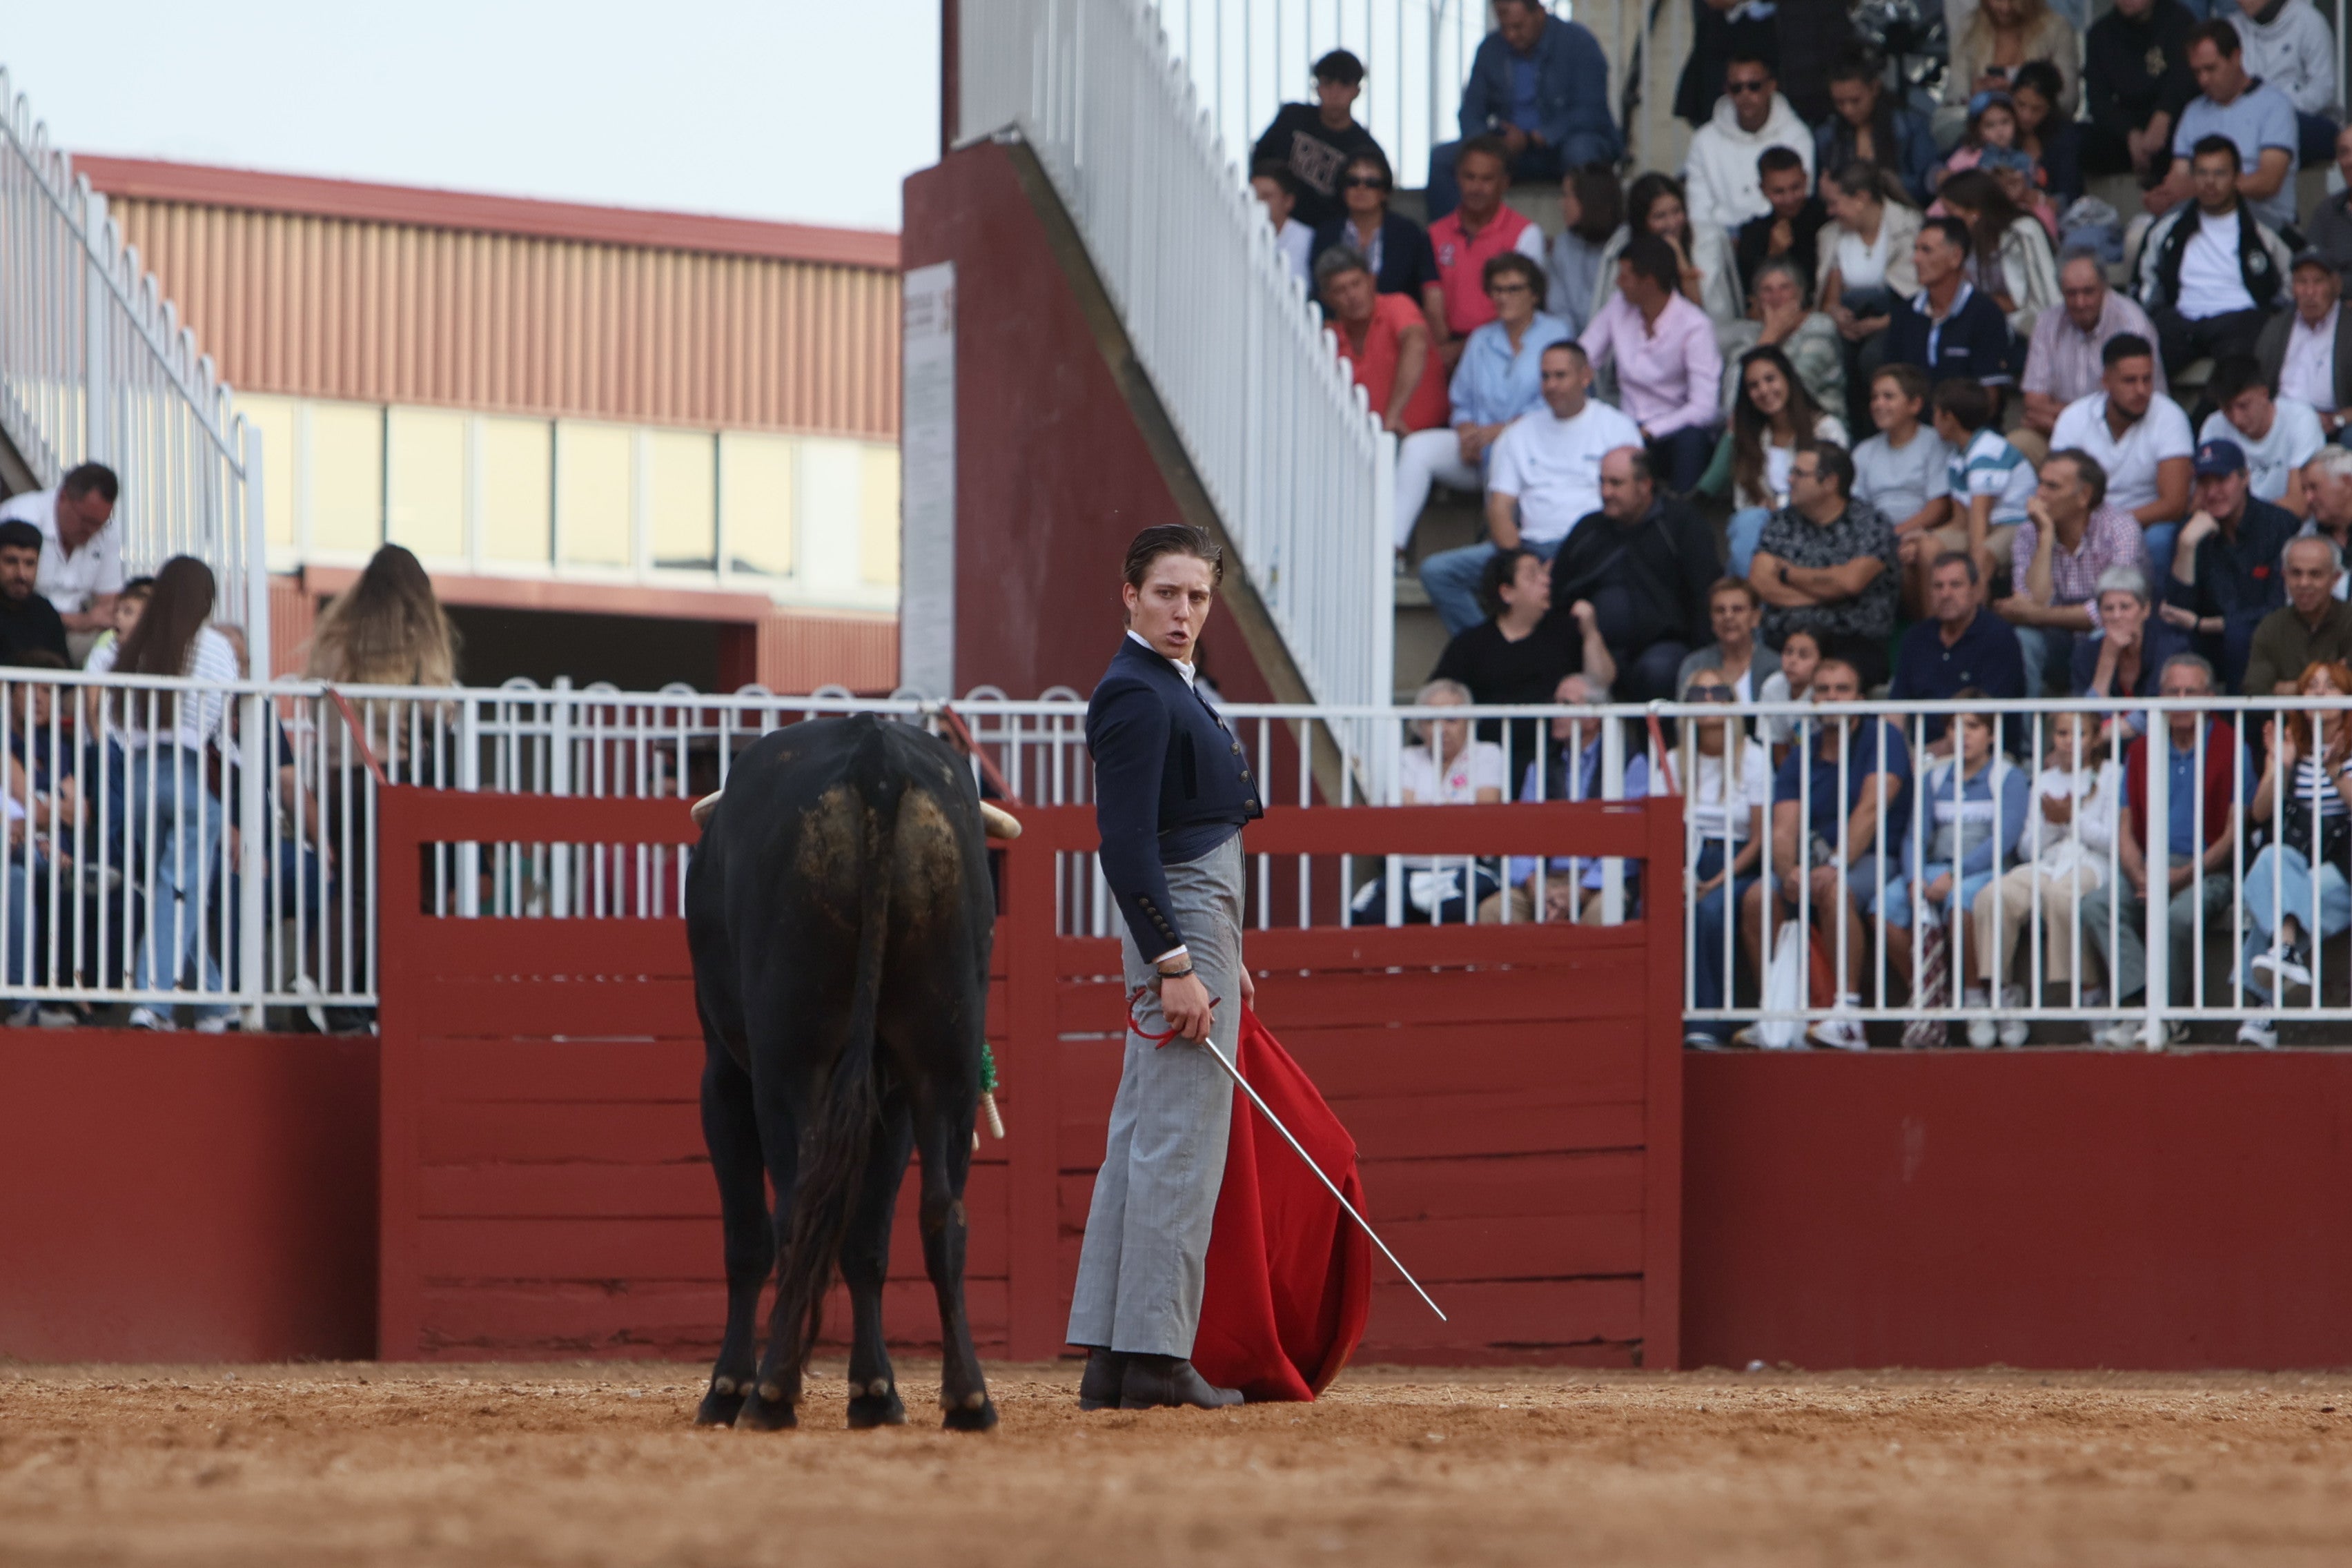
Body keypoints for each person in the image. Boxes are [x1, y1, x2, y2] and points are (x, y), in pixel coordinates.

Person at [1070, 524, 1264, 1413]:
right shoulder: (1139, 693)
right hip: (1178, 918)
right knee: (1181, 1138)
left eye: (1197, 596)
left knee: (1146, 1130)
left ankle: (1115, 1354)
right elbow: (1128, 844)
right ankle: (1154, 1351)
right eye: (1167, 594)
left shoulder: (1160, 684)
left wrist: (1226, 950)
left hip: (1194, 917)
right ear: (1129, 594)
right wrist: (1178, 962)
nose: (1184, 612)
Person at [82, 556, 239, 1030]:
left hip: (141, 777)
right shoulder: (215, 647)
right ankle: (154, 1002)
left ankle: (215, 1003)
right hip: (192, 774)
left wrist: (136, 748)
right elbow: (221, 714)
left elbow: (110, 717)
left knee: (170, 891)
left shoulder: (133, 645)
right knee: (181, 890)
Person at [1739, 656, 1912, 1048]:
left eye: (1842, 689)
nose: (1832, 698)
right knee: (1757, 897)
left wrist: (1834, 865)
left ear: (1860, 698)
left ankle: (1846, 1015)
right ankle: (1778, 1015)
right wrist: (1789, 872)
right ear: (1812, 699)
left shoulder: (1882, 738)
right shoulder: (1805, 749)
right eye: (1824, 690)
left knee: (1838, 891)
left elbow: (1871, 810)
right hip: (1812, 861)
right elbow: (1782, 828)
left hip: (1875, 857)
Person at [2079, 652, 2244, 1048]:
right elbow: (2124, 829)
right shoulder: (2141, 749)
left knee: (2179, 915)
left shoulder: (2231, 744)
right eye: (2173, 691)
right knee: (2096, 905)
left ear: (2209, 696)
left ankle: (2167, 1016)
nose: (2182, 700)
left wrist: (2179, 879)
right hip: (2150, 867)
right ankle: (2138, 1003)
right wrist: (2142, 876)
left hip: (2208, 869)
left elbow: (2232, 835)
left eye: (2192, 691)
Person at [1420, 342, 1641, 634]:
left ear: (1585, 377)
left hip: (1594, 546)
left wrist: (1569, 557)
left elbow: (1632, 501)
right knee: (1438, 572)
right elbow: (1499, 507)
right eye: (1545, 376)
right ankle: (1492, 650)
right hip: (1528, 545)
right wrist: (1522, 564)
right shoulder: (1519, 433)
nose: (1550, 385)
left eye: (1560, 375)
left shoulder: (1617, 428)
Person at [1394, 253, 1569, 557]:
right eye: (1497, 290)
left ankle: (1498, 553)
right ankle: (1391, 550)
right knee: (1417, 448)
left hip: (1534, 451)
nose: (1503, 297)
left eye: (1513, 289)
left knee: (1506, 445)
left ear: (1535, 294)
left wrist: (1499, 431)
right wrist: (1465, 430)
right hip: (1478, 452)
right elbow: (1461, 399)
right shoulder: (1481, 338)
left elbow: (1558, 402)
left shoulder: (1556, 334)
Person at [1966, 708, 2122, 1042]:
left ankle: (2092, 994)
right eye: (2062, 734)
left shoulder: (2112, 775)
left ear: (2095, 740)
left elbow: (2113, 841)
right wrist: (2053, 824)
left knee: (2062, 897)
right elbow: (2026, 848)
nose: (2068, 743)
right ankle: (2004, 995)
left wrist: (2071, 818)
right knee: (1994, 895)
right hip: (2047, 864)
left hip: (2092, 863)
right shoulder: (2045, 779)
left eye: (2078, 735)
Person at [1879, 700, 2030, 1021]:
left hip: (1986, 870)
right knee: (1883, 909)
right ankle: (1931, 990)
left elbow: (2004, 839)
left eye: (1973, 726)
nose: (1964, 735)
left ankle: (1973, 997)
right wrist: (1913, 878)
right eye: (1955, 726)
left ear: (1991, 734)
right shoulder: (1933, 777)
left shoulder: (2009, 776)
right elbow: (1914, 835)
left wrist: (1955, 874)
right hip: (1935, 867)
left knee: (1962, 902)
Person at [2235, 658, 2352, 1047]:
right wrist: (2281, 768)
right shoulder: (2289, 745)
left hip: (2344, 863)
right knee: (2270, 860)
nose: (2320, 693)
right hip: (2299, 854)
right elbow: (2260, 812)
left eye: (2330, 686)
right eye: (2312, 686)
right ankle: (2286, 953)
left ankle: (2263, 1011)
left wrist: (2335, 768)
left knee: (2287, 894)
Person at [1548, 446, 1723, 701]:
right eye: (1602, 482)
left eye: (1616, 483)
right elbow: (1559, 591)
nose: (1606, 492)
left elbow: (1704, 593)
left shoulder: (1681, 524)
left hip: (1664, 648)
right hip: (1592, 648)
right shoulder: (1588, 529)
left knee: (1658, 670)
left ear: (1645, 485)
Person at [1427, 0, 1620, 222]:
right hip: (1508, 153)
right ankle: (1450, 245)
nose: (1510, 35)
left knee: (1582, 151)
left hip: (1561, 148)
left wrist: (1536, 137)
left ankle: (1592, 240)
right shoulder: (1490, 49)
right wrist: (1487, 147)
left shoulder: (1579, 43)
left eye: (1518, 26)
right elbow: (1471, 112)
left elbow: (1591, 111)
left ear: (1539, 12)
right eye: (1504, 26)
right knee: (1442, 158)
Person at [1430, 545, 1614, 779]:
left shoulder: (1565, 632)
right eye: (1532, 575)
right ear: (1507, 593)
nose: (1546, 581)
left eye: (1544, 573)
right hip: (1486, 767)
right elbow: (1439, 696)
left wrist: (1590, 631)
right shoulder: (1470, 644)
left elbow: (1601, 682)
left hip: (1553, 764)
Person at [1349, 680, 1508, 925]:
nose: (1441, 729)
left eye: (1451, 720)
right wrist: (1454, 818)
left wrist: (1424, 815)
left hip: (1466, 872)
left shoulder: (1487, 755)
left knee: (1457, 912)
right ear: (1419, 727)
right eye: (1431, 721)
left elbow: (1482, 818)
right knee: (1374, 914)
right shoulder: (1407, 758)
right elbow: (1400, 821)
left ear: (1469, 722)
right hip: (1407, 873)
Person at [2137, 135, 2291, 386]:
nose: (2210, 182)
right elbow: (2146, 279)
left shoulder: (2267, 227)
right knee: (2140, 365)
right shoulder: (2168, 226)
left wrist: (2275, 313)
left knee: (2238, 378)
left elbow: (2291, 278)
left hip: (2240, 322)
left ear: (2237, 177)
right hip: (2182, 321)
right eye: (2202, 173)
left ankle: (2201, 422)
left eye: (2220, 173)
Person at [1580, 235, 1725, 494]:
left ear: (1648, 282)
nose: (1617, 283)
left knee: (1692, 440)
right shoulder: (1618, 307)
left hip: (1673, 430)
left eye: (1624, 277)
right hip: (1625, 425)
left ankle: (1683, 519)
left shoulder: (1695, 326)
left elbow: (1705, 408)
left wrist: (1651, 430)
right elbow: (1582, 358)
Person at [1749, 443, 1900, 685]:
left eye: (1799, 474)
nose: (1789, 480)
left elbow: (1851, 583)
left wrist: (1791, 575)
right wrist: (1830, 591)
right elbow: (1761, 583)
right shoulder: (1781, 523)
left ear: (1830, 483)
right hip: (1785, 641)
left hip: (1851, 640)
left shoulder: (1871, 524)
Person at [2001, 450, 2148, 694]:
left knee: (2103, 631)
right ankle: (2026, 733)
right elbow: (2028, 603)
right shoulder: (2029, 532)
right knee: (2022, 640)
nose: (2040, 494)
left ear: (2084, 496)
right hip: (2055, 640)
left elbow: (2116, 609)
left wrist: (2039, 616)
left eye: (2052, 487)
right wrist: (2046, 536)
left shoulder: (2120, 529)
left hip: (2107, 636)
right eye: (2040, 484)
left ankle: (2088, 729)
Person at [2048, 333, 2196, 568]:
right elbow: (2057, 488)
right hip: (2083, 522)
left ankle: (2150, 605)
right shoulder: (2074, 419)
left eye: (2147, 380)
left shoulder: (2170, 417)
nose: (2141, 390)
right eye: (2130, 381)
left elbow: (2174, 504)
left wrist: (2112, 526)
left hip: (2148, 524)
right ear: (2106, 381)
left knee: (2159, 540)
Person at [2161, 436, 2298, 686]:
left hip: (2266, 636)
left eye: (2222, 480)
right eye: (2204, 482)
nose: (2212, 493)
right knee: (2171, 640)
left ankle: (2241, 724)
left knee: (2239, 635)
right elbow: (2177, 612)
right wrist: (2187, 546)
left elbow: (2280, 605)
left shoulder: (2278, 525)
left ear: (2245, 477)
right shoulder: (2190, 530)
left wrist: (2208, 625)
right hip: (2210, 641)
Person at [1680, 675, 1772, 1046]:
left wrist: (1715, 881)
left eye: (1718, 692)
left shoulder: (1753, 757)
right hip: (1685, 856)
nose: (1707, 700)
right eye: (1697, 693)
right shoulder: (1673, 759)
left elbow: (1759, 836)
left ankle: (1709, 1023)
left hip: (1736, 860)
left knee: (1710, 911)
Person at [2143, 23, 2298, 233]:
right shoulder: (2193, 112)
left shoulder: (2275, 106)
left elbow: (2268, 183)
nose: (2203, 80)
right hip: (2200, 218)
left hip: (2262, 221)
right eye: (2197, 72)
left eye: (2211, 68)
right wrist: (2163, 195)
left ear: (2236, 57)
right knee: (2138, 236)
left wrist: (2200, 189)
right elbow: (2179, 177)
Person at [1716, 345, 1851, 577]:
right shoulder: (1750, 438)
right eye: (1754, 386)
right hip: (1763, 532)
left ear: (1788, 379)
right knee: (1747, 522)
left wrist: (1781, 505)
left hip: (1816, 526)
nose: (1764, 390)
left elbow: (1838, 490)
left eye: (1770, 379)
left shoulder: (1826, 430)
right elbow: (1744, 503)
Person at [2021, 249, 2169, 441]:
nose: (2080, 302)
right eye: (2071, 293)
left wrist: (2067, 417)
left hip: (2120, 434)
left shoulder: (2132, 325)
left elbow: (2137, 402)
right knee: (2022, 441)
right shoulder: (2048, 322)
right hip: (2058, 433)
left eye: (2088, 292)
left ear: (2105, 287)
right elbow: (2034, 403)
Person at [1427, 135, 1549, 365]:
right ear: (1457, 178)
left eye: (1487, 179)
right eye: (1469, 177)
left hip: (1506, 350)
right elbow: (1432, 308)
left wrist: (1465, 348)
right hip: (1445, 353)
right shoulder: (1435, 234)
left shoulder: (1526, 234)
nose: (1476, 188)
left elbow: (1525, 308)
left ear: (1505, 183)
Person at [1889, 553, 2028, 745]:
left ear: (1976, 590)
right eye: (1938, 586)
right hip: (1923, 761)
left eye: (1955, 585)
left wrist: (1928, 757)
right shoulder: (1916, 638)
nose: (1945, 594)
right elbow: (1896, 710)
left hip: (1985, 759)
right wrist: (1896, 757)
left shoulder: (1998, 638)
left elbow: (1987, 721)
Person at [1310, 149, 1444, 341]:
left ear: (1385, 192)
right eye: (1353, 182)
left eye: (1372, 183)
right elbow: (1320, 291)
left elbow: (1426, 290)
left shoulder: (1408, 234)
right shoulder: (1326, 234)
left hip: (1398, 332)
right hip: (1341, 334)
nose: (1361, 189)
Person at [1925, 377, 2035, 603]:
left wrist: (1973, 561)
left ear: (1949, 418)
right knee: (1922, 548)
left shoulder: (1987, 450)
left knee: (1982, 558)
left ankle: (1975, 622)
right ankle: (1931, 624)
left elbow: (1979, 512)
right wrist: (1924, 537)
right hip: (1985, 525)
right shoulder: (1957, 455)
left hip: (2016, 524)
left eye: (1936, 413)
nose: (1933, 420)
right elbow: (1960, 520)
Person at [1248, 49, 1384, 233]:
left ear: (1356, 91)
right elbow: (1260, 161)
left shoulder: (1365, 148)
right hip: (1273, 225)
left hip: (1326, 237)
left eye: (1344, 84)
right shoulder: (1291, 118)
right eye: (1327, 83)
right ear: (1318, 87)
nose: (1334, 93)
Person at [1816, 164, 1924, 394]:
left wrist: (1882, 323)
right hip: (1850, 325)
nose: (1830, 212)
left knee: (1874, 357)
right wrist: (1836, 314)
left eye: (1834, 203)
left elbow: (1919, 294)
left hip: (1899, 318)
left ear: (1861, 199)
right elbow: (1829, 300)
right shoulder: (1829, 236)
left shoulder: (1910, 227)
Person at [1683, 50, 1817, 233]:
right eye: (1736, 88)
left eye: (1754, 86)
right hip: (1722, 236)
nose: (1745, 94)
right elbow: (1699, 212)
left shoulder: (1796, 134)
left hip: (1778, 233)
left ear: (1771, 86)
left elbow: (1800, 197)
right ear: (1727, 91)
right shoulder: (1704, 141)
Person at [1318, 246, 1447, 438]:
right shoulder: (1329, 338)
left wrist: (1393, 416)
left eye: (1356, 284)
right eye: (1340, 290)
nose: (1352, 296)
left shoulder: (1396, 305)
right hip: (1360, 444)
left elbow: (1415, 343)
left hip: (1423, 436)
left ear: (1371, 281)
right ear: (1327, 299)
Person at [0, 462, 122, 660]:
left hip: (77, 634)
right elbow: (12, 607)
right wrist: (82, 621)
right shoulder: (22, 516)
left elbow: (111, 602)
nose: (92, 531)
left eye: (100, 524)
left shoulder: (107, 532)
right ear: (64, 497)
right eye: (86, 520)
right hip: (21, 629)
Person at [1885, 217, 2019, 393]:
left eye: (1926, 250)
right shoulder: (1906, 313)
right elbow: (1892, 380)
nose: (1916, 259)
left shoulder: (1985, 313)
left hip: (1969, 418)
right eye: (1916, 250)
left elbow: (1990, 393)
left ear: (1955, 257)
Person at [1594, 173, 1743, 325]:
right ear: (1642, 222)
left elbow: (1700, 312)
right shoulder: (1621, 247)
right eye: (1660, 216)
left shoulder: (1709, 239)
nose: (1672, 224)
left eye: (1677, 211)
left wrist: (1679, 258)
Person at [1938, 0, 2083, 151]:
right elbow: (1954, 97)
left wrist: (2022, 96)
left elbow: (2068, 101)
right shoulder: (1968, 27)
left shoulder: (2057, 29)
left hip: (2041, 135)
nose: (2005, 8)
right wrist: (1974, 96)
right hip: (1981, 132)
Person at [1718, 257, 1848, 424]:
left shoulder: (1820, 329)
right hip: (1761, 431)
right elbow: (1730, 404)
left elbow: (1791, 395)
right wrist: (1770, 335)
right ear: (1757, 300)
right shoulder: (1749, 335)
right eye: (1767, 290)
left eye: (1784, 288)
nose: (1776, 297)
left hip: (1815, 429)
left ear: (1799, 295)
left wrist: (1769, 338)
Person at [1935, 169, 2059, 342]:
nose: (1947, 221)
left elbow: (2045, 291)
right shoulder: (1966, 245)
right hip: (1987, 330)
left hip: (2031, 331)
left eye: (1951, 212)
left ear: (1974, 211)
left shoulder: (2023, 231)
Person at [2083, 0, 2199, 183]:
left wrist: (2165, 113)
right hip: (2125, 129)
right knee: (2073, 139)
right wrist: (2129, 133)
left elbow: (2186, 79)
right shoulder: (2100, 34)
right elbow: (2098, 100)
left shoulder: (2179, 21)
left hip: (2175, 122)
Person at [1853, 365, 1954, 569]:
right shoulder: (1864, 451)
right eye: (1874, 397)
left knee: (1917, 553)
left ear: (1915, 405)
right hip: (1877, 538)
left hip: (1923, 532)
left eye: (1888, 397)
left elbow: (1939, 507)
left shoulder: (1935, 442)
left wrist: (1898, 535)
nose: (1878, 404)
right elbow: (1857, 507)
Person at [2199, 355, 2324, 513]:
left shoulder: (2300, 420)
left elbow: (2300, 505)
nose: (2237, 419)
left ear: (2264, 394)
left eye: (2243, 406)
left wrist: (2242, 519)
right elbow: (2206, 497)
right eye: (2227, 409)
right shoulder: (2214, 426)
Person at [1816, 48, 1937, 205]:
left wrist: (1883, 182)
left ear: (1874, 88)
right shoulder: (1826, 136)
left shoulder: (1911, 126)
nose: (1848, 110)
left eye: (1855, 101)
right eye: (1840, 103)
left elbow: (1926, 184)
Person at [2228, 0, 2340, 166]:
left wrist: (2277, 109)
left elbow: (2324, 90)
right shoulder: (2232, 27)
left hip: (2304, 119)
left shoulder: (2309, 21)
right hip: (2250, 119)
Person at [2072, 566, 2192, 717]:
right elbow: (2088, 719)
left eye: (2125, 607)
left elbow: (2158, 707)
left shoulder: (2170, 647)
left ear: (2146, 609)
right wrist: (2108, 658)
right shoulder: (2085, 653)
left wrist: (2110, 732)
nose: (2116, 616)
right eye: (2108, 609)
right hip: (2106, 738)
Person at [2258, 251, 2352, 440]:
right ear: (2293, 288)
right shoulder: (2278, 326)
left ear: (2336, 285)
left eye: (2318, 282)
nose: (2310, 293)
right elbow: (2257, 380)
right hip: (2281, 424)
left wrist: (2337, 420)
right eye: (2302, 282)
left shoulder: (2348, 326)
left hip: (2333, 427)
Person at [2244, 534, 2352, 693]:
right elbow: (2256, 690)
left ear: (2335, 578)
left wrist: (2285, 688)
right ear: (2284, 576)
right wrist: (2331, 683)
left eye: (2315, 574)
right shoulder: (2271, 626)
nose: (2304, 583)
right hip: (2288, 719)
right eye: (2296, 573)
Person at [1734, 148, 1830, 304]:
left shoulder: (1827, 219)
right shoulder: (1753, 233)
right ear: (1763, 189)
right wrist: (1773, 254)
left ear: (1806, 180)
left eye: (1795, 188)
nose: (1789, 198)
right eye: (1779, 192)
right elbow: (1750, 294)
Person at [1547, 164, 1625, 337]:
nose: (1561, 203)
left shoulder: (1628, 244)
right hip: (1575, 353)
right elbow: (1559, 313)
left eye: (1567, 196)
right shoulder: (1563, 246)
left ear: (1589, 199)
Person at [1676, 575, 1783, 701]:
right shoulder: (1695, 666)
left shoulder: (1776, 668)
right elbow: (1683, 719)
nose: (1728, 616)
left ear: (1755, 617)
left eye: (1737, 609)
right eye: (1720, 610)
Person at [2010, 59, 2086, 209]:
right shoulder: (1998, 125)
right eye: (2021, 105)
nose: (2026, 116)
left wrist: (2040, 200)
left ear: (2050, 108)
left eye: (2036, 109)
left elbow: (2069, 194)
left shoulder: (2065, 138)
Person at [0, 520, 67, 663]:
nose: (21, 574)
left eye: (29, 563)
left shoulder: (45, 613)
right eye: (11, 562)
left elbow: (65, 675)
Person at [1756, 625, 1823, 756]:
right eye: (1788, 652)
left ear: (1821, 662)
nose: (1792, 661)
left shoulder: (1826, 690)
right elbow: (1777, 744)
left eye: (1803, 655)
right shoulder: (1773, 686)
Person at [1248, 163, 1315, 293]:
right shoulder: (1241, 235)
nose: (1258, 202)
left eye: (1267, 196)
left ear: (1288, 202)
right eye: (1254, 196)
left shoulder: (1308, 239)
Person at [2306, 126, 2352, 293]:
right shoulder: (2327, 212)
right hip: (2337, 312)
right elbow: (2310, 270)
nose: (2350, 161)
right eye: (2344, 152)